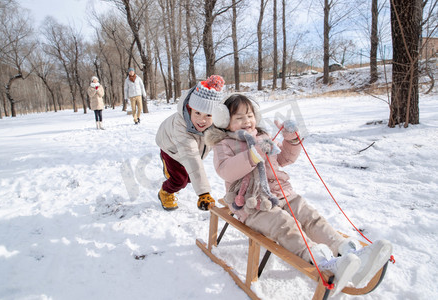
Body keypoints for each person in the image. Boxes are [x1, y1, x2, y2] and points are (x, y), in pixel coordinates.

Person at [206, 94, 393, 295]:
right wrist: (253, 154)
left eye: (250, 115)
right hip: (253, 205)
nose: (247, 121)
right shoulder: (224, 143)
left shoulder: (263, 137)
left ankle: (345, 250)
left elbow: (283, 159)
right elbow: (226, 170)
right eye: (239, 118)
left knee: (309, 215)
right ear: (225, 121)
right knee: (283, 224)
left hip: (281, 193)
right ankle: (321, 260)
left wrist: (291, 140)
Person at [155, 75, 225, 211]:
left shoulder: (216, 124)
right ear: (189, 108)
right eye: (197, 113)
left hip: (191, 151)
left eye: (208, 115)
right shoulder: (181, 126)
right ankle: (165, 192)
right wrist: (203, 193)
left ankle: (171, 174)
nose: (201, 120)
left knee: (190, 178)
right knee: (179, 180)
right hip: (171, 148)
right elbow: (192, 158)